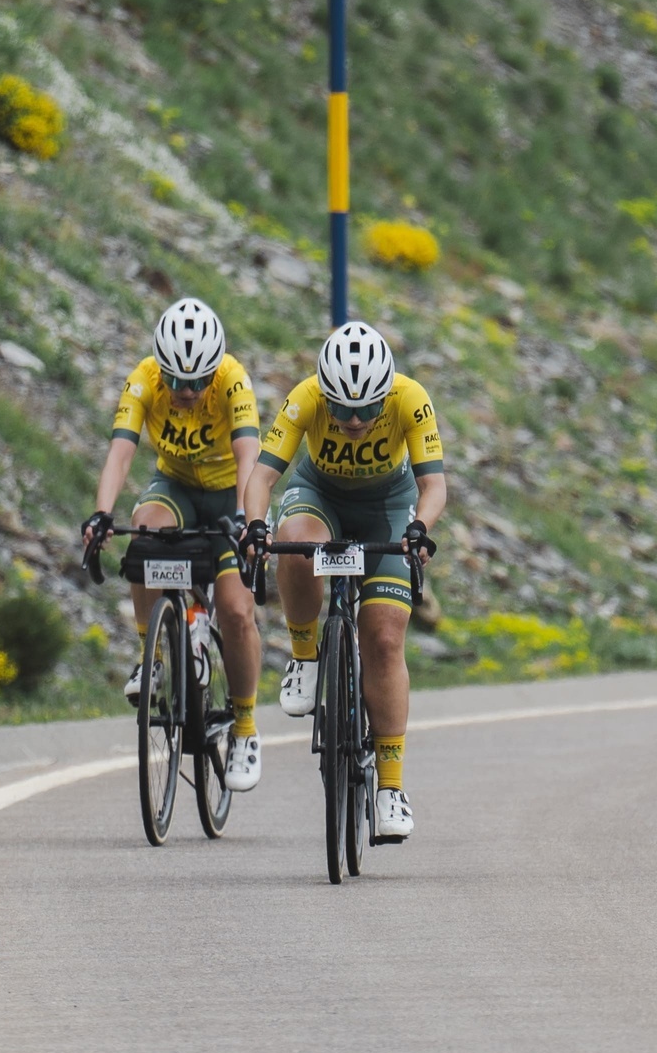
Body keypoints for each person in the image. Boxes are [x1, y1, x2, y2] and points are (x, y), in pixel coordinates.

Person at [241, 320, 445, 843]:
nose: (354, 421)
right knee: (293, 541)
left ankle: (391, 787)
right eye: (343, 409)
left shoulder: (410, 399)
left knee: (382, 637)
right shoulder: (305, 397)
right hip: (320, 495)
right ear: (325, 393)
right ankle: (306, 657)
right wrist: (255, 529)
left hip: (387, 507)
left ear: (387, 394)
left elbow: (433, 485)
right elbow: (263, 476)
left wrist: (420, 529)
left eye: (367, 409)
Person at [82, 299, 267, 792]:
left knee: (235, 608)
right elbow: (120, 454)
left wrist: (251, 523)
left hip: (230, 494)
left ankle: (245, 729)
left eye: (197, 381)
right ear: (161, 367)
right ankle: (152, 657)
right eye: (177, 381)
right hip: (178, 487)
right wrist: (101, 514)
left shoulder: (232, 379)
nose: (187, 391)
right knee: (143, 534)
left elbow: (250, 456)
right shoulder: (144, 379)